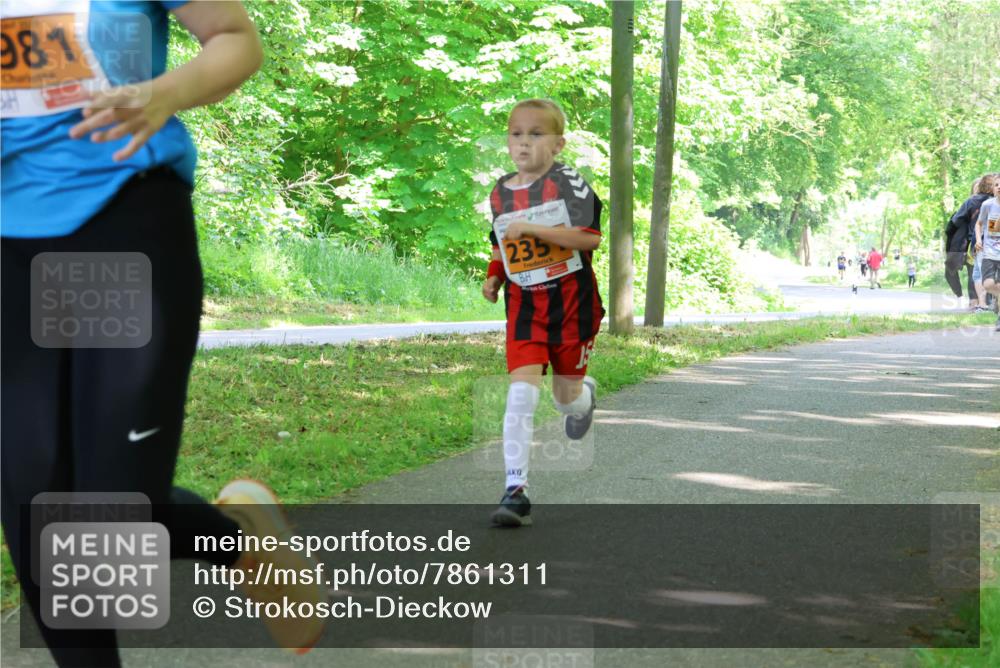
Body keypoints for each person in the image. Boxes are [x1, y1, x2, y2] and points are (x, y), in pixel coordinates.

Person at [1, 3, 324, 665]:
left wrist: (162, 93)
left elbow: (234, 39)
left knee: (109, 517)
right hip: (7, 245)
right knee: (36, 510)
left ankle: (237, 538)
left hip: (116, 219)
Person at [482, 99, 604, 527]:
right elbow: (502, 242)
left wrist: (533, 227)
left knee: (564, 399)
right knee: (520, 395)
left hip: (572, 309)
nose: (524, 142)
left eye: (536, 135)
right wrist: (495, 275)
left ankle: (583, 400)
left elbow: (589, 239)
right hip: (525, 310)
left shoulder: (570, 183)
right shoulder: (500, 191)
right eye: (517, 133)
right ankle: (516, 490)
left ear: (558, 144)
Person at [945, 175, 993, 307]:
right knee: (976, 271)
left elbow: (955, 222)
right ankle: (977, 302)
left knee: (978, 272)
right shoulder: (984, 202)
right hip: (970, 244)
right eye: (976, 188)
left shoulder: (975, 203)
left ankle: (982, 302)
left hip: (977, 242)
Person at [974, 174, 1000, 330]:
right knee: (988, 284)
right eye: (997, 185)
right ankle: (997, 299)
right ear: (993, 188)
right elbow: (979, 224)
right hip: (989, 252)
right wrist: (978, 239)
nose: (999, 187)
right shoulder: (987, 205)